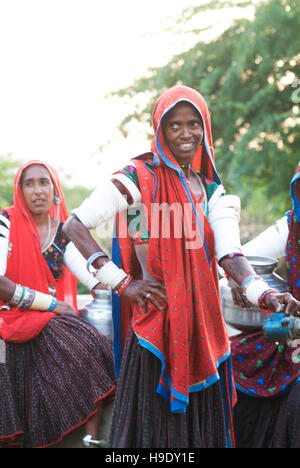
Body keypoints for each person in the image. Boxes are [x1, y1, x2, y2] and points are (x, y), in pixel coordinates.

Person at [63, 86, 300, 448]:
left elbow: (231, 257)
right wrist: (124, 283)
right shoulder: (139, 178)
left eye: (194, 124)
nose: (186, 134)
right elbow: (75, 225)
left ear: (205, 128)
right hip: (155, 329)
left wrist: (266, 294)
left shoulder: (211, 192)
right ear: (160, 129)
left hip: (204, 330)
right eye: (175, 125)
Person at [0, 161, 116, 449]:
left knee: (90, 342)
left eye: (44, 182)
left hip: (43, 318)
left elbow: (94, 278)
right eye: (29, 183)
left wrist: (126, 285)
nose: (37, 190)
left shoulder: (62, 231)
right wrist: (51, 303)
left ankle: (93, 439)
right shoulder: (5, 222)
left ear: (54, 191)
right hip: (7, 315)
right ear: (20, 190)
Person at [228, 162, 300, 448]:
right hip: (291, 330)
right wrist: (237, 276)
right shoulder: (291, 226)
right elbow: (239, 258)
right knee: (229, 359)